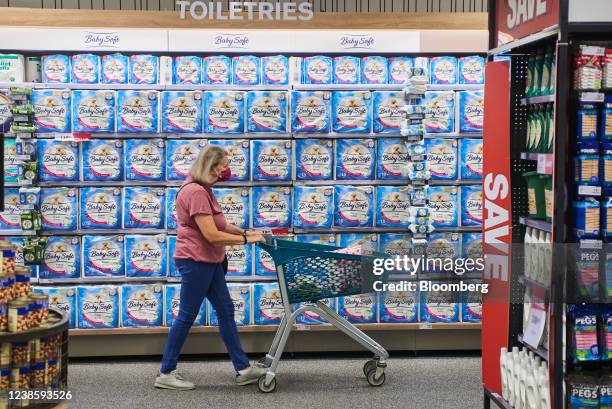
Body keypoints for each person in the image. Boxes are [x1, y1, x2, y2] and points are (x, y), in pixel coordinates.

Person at [155, 145, 267, 390]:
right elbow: (212, 235)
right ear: (211, 165)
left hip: (209, 261)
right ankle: (166, 372)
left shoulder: (204, 189)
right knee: (186, 315)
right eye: (224, 166)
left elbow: (221, 224)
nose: (226, 171)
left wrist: (247, 232)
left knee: (226, 310)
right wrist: (248, 241)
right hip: (196, 261)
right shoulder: (195, 191)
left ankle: (243, 368)